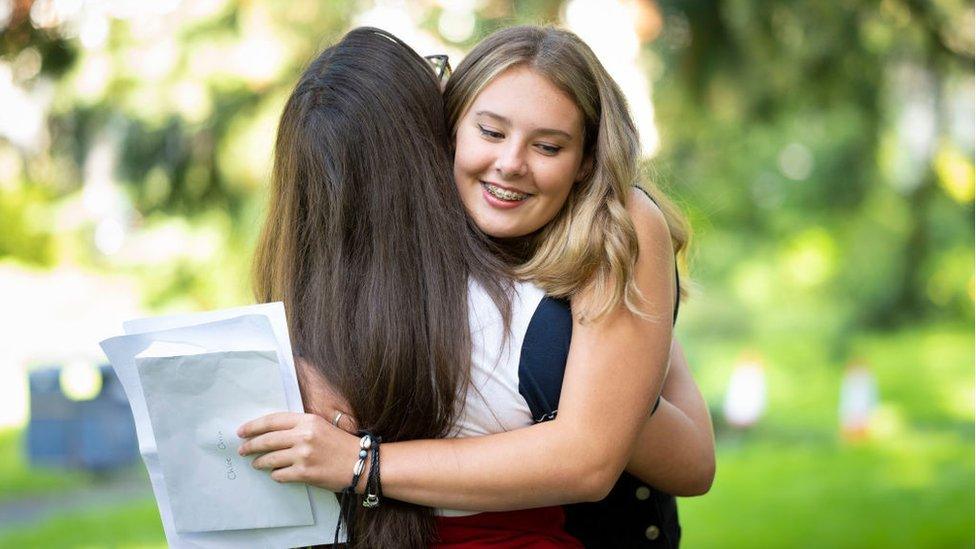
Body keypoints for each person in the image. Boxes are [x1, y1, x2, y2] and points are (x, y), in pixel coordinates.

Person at [244, 25, 713, 548]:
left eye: (549, 145)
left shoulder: (613, 223)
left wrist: (361, 464)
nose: (510, 163)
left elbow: (684, 464)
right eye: (490, 132)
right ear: (449, 131)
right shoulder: (407, 253)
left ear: (586, 160)